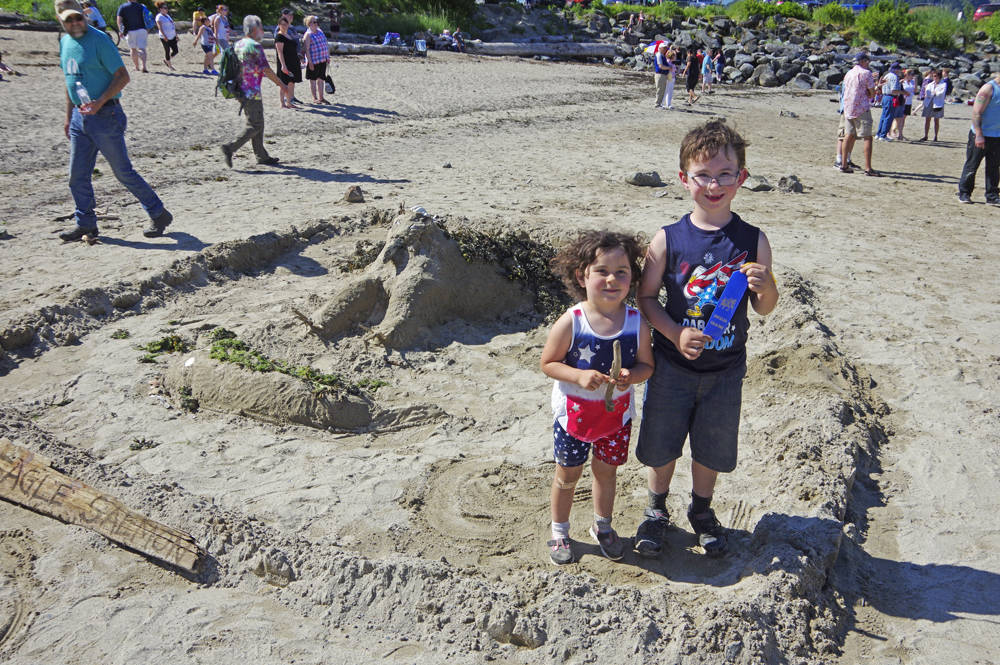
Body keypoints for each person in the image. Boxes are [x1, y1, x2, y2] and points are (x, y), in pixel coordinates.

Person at [633, 119, 779, 559]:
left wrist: (766, 283)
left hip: (725, 371)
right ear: (684, 179)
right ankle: (657, 510)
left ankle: (701, 511)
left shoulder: (753, 241)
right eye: (703, 175)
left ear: (741, 180)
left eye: (724, 175)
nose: (713, 185)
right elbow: (645, 297)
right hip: (672, 367)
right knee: (662, 442)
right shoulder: (667, 239)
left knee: (711, 448)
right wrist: (675, 332)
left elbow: (765, 307)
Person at [541, 231, 654, 564]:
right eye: (602, 270)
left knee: (606, 473)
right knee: (567, 475)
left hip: (615, 418)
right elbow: (548, 363)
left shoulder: (637, 323)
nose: (612, 279)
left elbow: (648, 365)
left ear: (632, 277)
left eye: (622, 271)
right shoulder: (572, 322)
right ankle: (559, 531)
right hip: (574, 417)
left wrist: (633, 376)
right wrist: (578, 375)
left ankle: (602, 526)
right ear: (582, 275)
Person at [56, 0, 172, 241]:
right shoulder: (65, 41)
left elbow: (123, 76)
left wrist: (99, 102)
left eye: (79, 17)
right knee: (77, 176)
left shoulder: (99, 40)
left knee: (122, 172)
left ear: (85, 15)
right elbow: (69, 82)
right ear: (60, 20)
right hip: (80, 117)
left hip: (106, 115)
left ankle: (158, 212)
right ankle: (86, 223)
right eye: (69, 19)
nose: (76, 23)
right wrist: (69, 117)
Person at [220, 15, 288, 168]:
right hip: (251, 91)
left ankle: (261, 156)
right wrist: (281, 84)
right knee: (255, 125)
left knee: (258, 122)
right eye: (261, 28)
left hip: (239, 89)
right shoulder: (255, 46)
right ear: (255, 29)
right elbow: (265, 69)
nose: (263, 32)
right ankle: (230, 147)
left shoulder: (239, 44)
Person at [957, 72, 1000, 205]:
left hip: (997, 135)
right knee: (972, 164)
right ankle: (964, 193)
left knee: (994, 167)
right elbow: (976, 112)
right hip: (980, 134)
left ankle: (992, 195)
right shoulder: (989, 89)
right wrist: (979, 134)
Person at [839, 51, 877, 176]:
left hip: (848, 107)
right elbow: (872, 93)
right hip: (861, 107)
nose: (868, 63)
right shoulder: (866, 73)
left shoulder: (849, 73)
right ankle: (868, 168)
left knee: (848, 135)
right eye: (867, 61)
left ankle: (844, 164)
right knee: (867, 137)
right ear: (863, 61)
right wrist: (870, 92)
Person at [274, 14, 301, 109]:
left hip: (293, 62)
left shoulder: (288, 34)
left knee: (291, 82)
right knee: (284, 83)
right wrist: (283, 65)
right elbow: (280, 52)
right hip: (285, 63)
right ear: (279, 25)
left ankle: (289, 102)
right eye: (282, 24)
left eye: (286, 24)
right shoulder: (279, 36)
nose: (284, 26)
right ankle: (282, 103)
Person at [301, 15, 330, 104]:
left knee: (321, 79)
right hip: (314, 60)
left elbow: (325, 44)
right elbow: (307, 50)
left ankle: (321, 97)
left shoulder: (320, 31)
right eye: (314, 22)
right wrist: (310, 62)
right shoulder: (308, 35)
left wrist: (328, 57)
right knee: (313, 80)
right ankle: (315, 98)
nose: (316, 23)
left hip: (322, 60)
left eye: (316, 22)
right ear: (309, 24)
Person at [116, 0, 148, 73]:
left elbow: (119, 20)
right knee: (142, 48)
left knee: (133, 49)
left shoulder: (123, 7)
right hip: (142, 29)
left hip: (130, 31)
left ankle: (137, 67)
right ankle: (144, 66)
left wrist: (121, 30)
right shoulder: (141, 6)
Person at [875, 62, 903, 141]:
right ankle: (883, 135)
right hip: (891, 97)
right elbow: (894, 90)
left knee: (883, 116)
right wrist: (901, 92)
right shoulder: (894, 77)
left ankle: (879, 133)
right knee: (889, 117)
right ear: (897, 70)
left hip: (885, 96)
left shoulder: (886, 75)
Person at [919, 69, 946, 142]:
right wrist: (933, 93)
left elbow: (941, 93)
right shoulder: (930, 84)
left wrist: (933, 93)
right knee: (927, 120)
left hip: (937, 104)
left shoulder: (943, 84)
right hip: (929, 103)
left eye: (935, 76)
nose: (934, 77)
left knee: (936, 120)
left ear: (939, 77)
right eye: (933, 76)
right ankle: (926, 135)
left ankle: (936, 136)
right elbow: (927, 93)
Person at [891, 68, 915, 141]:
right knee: (899, 118)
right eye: (911, 75)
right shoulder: (901, 82)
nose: (912, 76)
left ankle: (899, 133)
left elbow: (915, 90)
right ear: (907, 75)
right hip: (902, 101)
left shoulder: (912, 82)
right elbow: (899, 90)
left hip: (908, 101)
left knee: (903, 118)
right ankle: (894, 131)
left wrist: (915, 81)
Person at [154, 1, 177, 71]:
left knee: (176, 51)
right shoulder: (159, 16)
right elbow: (159, 27)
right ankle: (170, 66)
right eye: (165, 8)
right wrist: (164, 36)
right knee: (167, 50)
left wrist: (176, 35)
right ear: (160, 9)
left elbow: (172, 25)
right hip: (164, 37)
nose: (166, 9)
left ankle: (167, 60)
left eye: (167, 8)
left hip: (172, 36)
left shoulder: (168, 16)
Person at [653, 42, 674, 110]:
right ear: (660, 48)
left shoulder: (662, 55)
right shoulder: (659, 55)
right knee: (660, 89)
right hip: (660, 74)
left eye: (665, 48)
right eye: (664, 48)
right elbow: (660, 66)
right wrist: (669, 68)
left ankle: (659, 104)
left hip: (663, 74)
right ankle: (657, 104)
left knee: (662, 90)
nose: (665, 49)